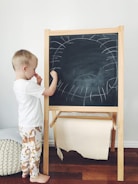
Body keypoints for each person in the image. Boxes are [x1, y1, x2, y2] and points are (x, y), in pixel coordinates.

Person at [12, 49, 58, 183]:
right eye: (34, 69)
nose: (35, 71)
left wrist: (37, 83)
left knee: (26, 148)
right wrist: (54, 78)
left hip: (23, 125)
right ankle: (35, 175)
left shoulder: (17, 84)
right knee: (36, 150)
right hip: (33, 125)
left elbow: (31, 95)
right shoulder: (27, 85)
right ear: (25, 68)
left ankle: (25, 171)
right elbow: (49, 92)